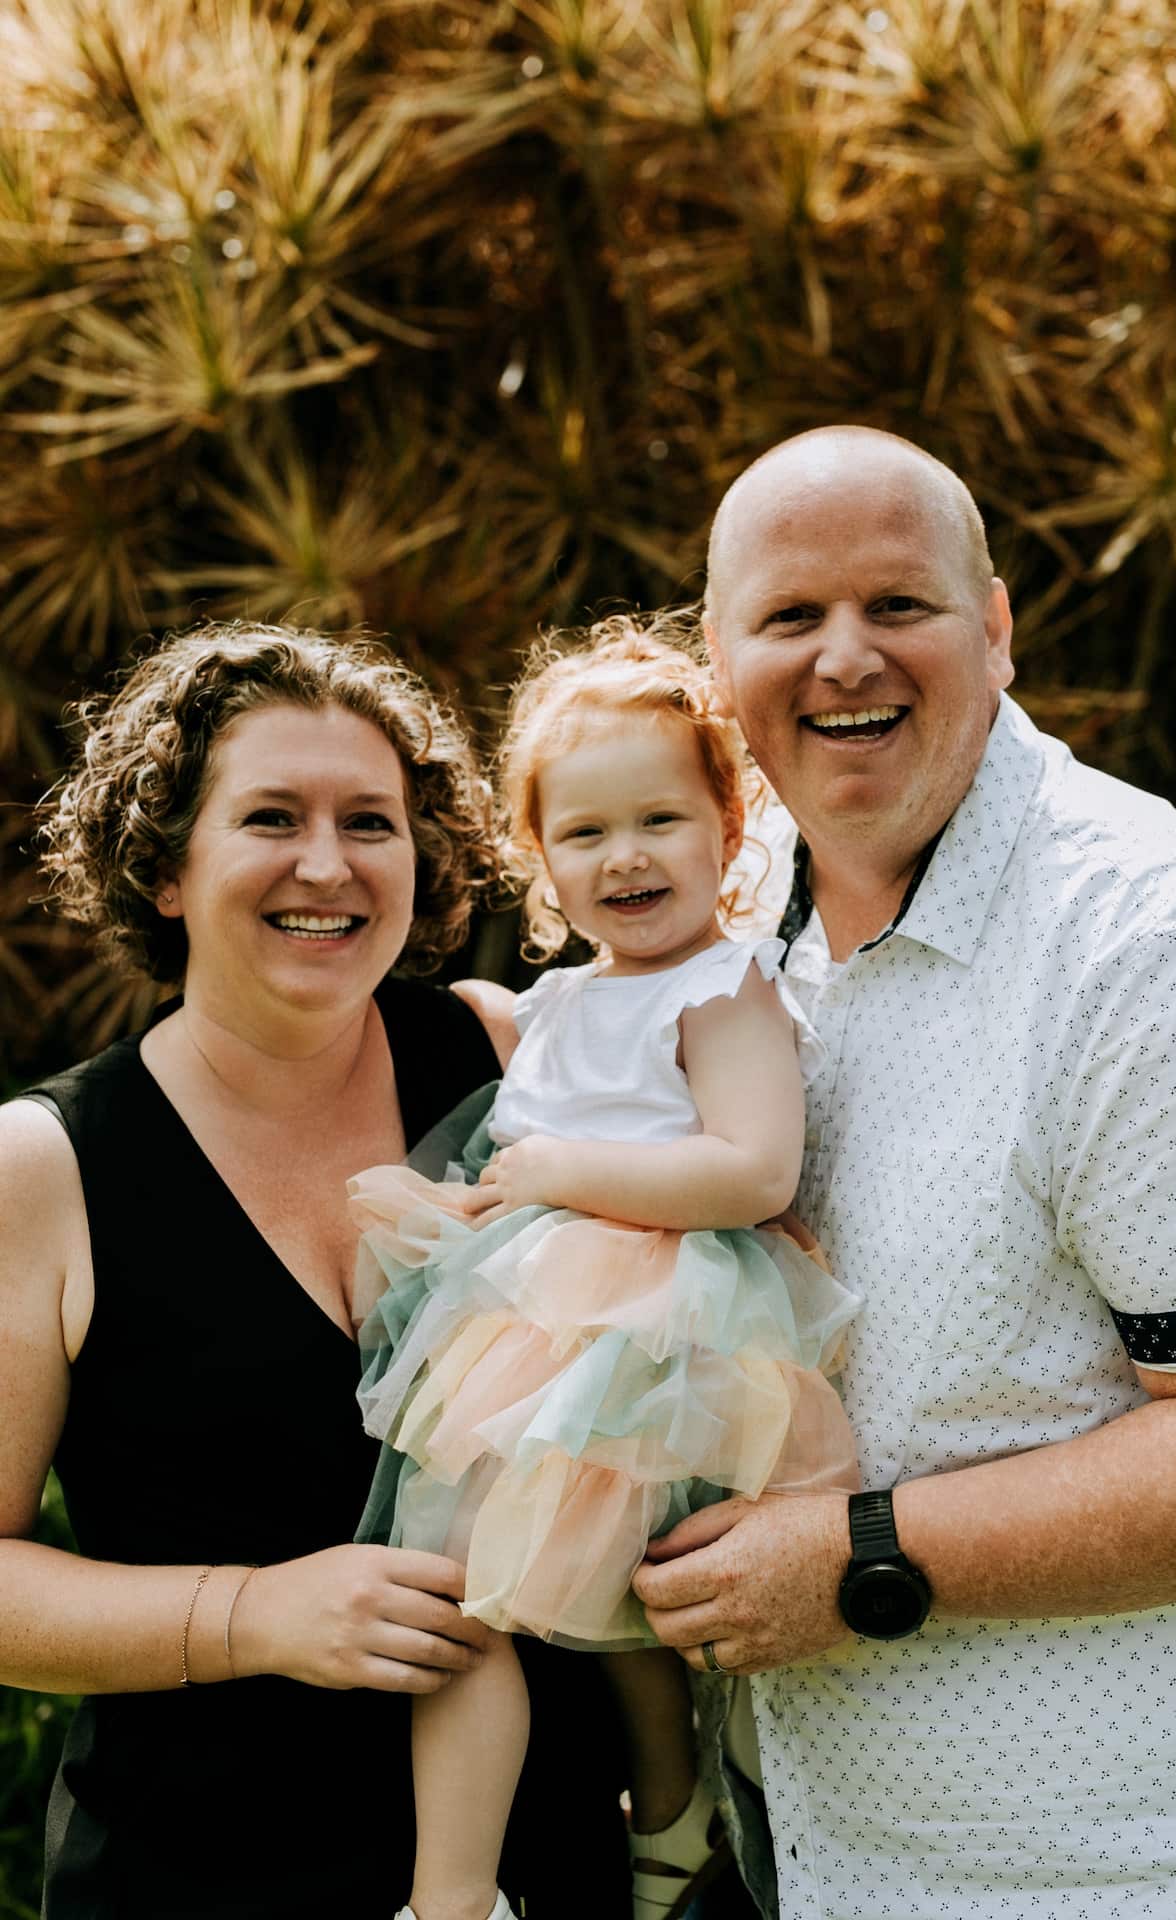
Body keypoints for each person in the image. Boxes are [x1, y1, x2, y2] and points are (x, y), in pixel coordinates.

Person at [633, 425, 1176, 1918]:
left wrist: (867, 1557)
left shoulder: (1159, 944)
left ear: (994, 629)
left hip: (1118, 1882)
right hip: (789, 1851)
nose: (844, 657)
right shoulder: (730, 913)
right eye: (790, 618)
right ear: (719, 657)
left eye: (898, 606)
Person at [0, 622, 627, 1920]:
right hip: (202, 1880)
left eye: (372, 822)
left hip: (545, 1865)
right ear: (165, 867)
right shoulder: (45, 1167)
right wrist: (253, 1616)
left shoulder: (510, 1058)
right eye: (272, 817)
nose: (328, 866)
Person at [346, 623, 861, 1920]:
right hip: (541, 1317)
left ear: (726, 820)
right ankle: (553, 1853)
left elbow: (752, 1171)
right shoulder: (562, 1000)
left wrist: (559, 1172)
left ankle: (646, 1819)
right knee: (522, 1584)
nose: (625, 856)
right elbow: (537, 1111)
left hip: (660, 1319)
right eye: (584, 835)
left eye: (657, 820)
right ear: (539, 860)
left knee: (588, 1583)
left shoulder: (722, 986)